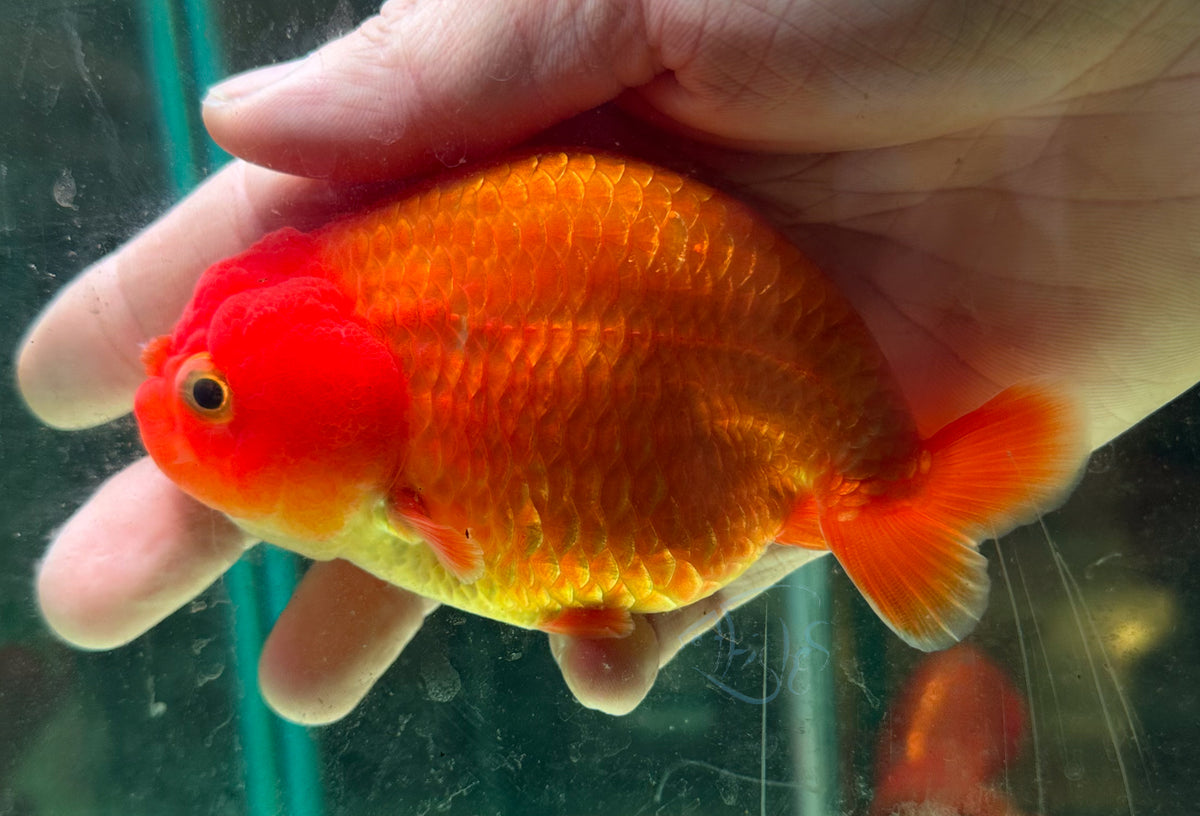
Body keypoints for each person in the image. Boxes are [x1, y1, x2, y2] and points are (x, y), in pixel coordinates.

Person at [17, 0, 1200, 724]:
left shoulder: (407, 477)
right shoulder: (381, 372)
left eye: (210, 396)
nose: (173, 403)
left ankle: (887, 486)